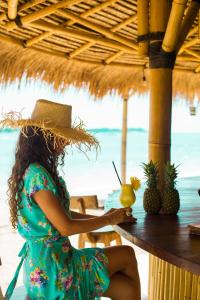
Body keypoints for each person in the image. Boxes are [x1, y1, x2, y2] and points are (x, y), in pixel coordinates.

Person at [2, 99, 141, 300]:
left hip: (45, 265)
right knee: (126, 254)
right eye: (62, 136)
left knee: (125, 289)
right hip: (55, 270)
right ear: (46, 136)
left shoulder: (31, 171)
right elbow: (65, 227)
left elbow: (61, 216)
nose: (66, 142)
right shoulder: (38, 175)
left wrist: (106, 216)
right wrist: (109, 221)